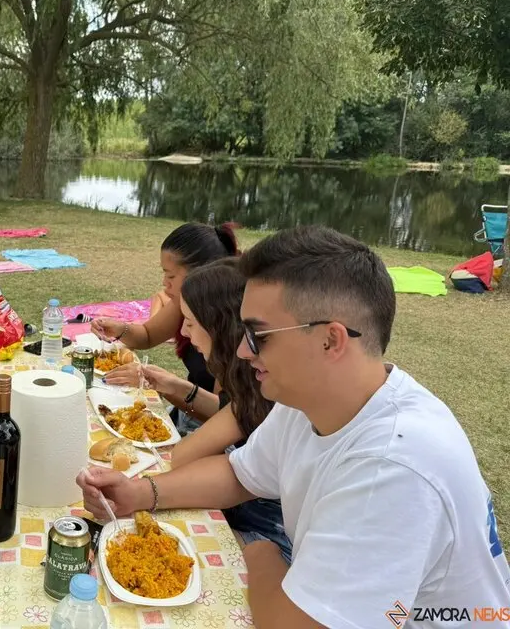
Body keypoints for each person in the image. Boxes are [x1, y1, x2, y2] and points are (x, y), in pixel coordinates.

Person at [79, 226, 510, 628]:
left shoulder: (392, 467)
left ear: (330, 340)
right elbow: (239, 474)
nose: (242, 352)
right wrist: (140, 493)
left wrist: (260, 552)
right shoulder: (310, 400)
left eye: (258, 335)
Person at [143, 259, 289, 558]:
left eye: (190, 322)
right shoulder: (241, 377)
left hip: (269, 530)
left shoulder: (262, 388)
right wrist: (176, 386)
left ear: (218, 327)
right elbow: (226, 413)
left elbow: (183, 456)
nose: (184, 332)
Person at [91, 223, 238, 432]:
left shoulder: (232, 330)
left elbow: (223, 417)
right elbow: (148, 334)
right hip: (186, 413)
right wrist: (120, 328)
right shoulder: (185, 301)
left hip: (210, 428)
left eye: (171, 276)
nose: (164, 283)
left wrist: (169, 385)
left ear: (202, 275)